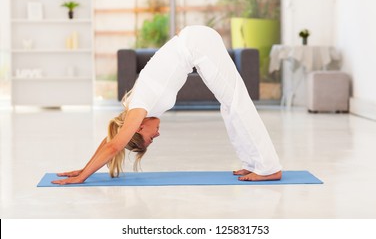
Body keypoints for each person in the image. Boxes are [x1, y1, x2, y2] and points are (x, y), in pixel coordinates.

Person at [52, 25, 282, 185]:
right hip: (195, 44)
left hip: (197, 44)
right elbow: (111, 140)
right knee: (229, 103)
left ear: (139, 128)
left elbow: (114, 147)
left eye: (150, 138)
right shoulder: (137, 109)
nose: (157, 135)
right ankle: (253, 162)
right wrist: (84, 169)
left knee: (235, 100)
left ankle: (268, 168)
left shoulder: (139, 108)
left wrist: (81, 178)